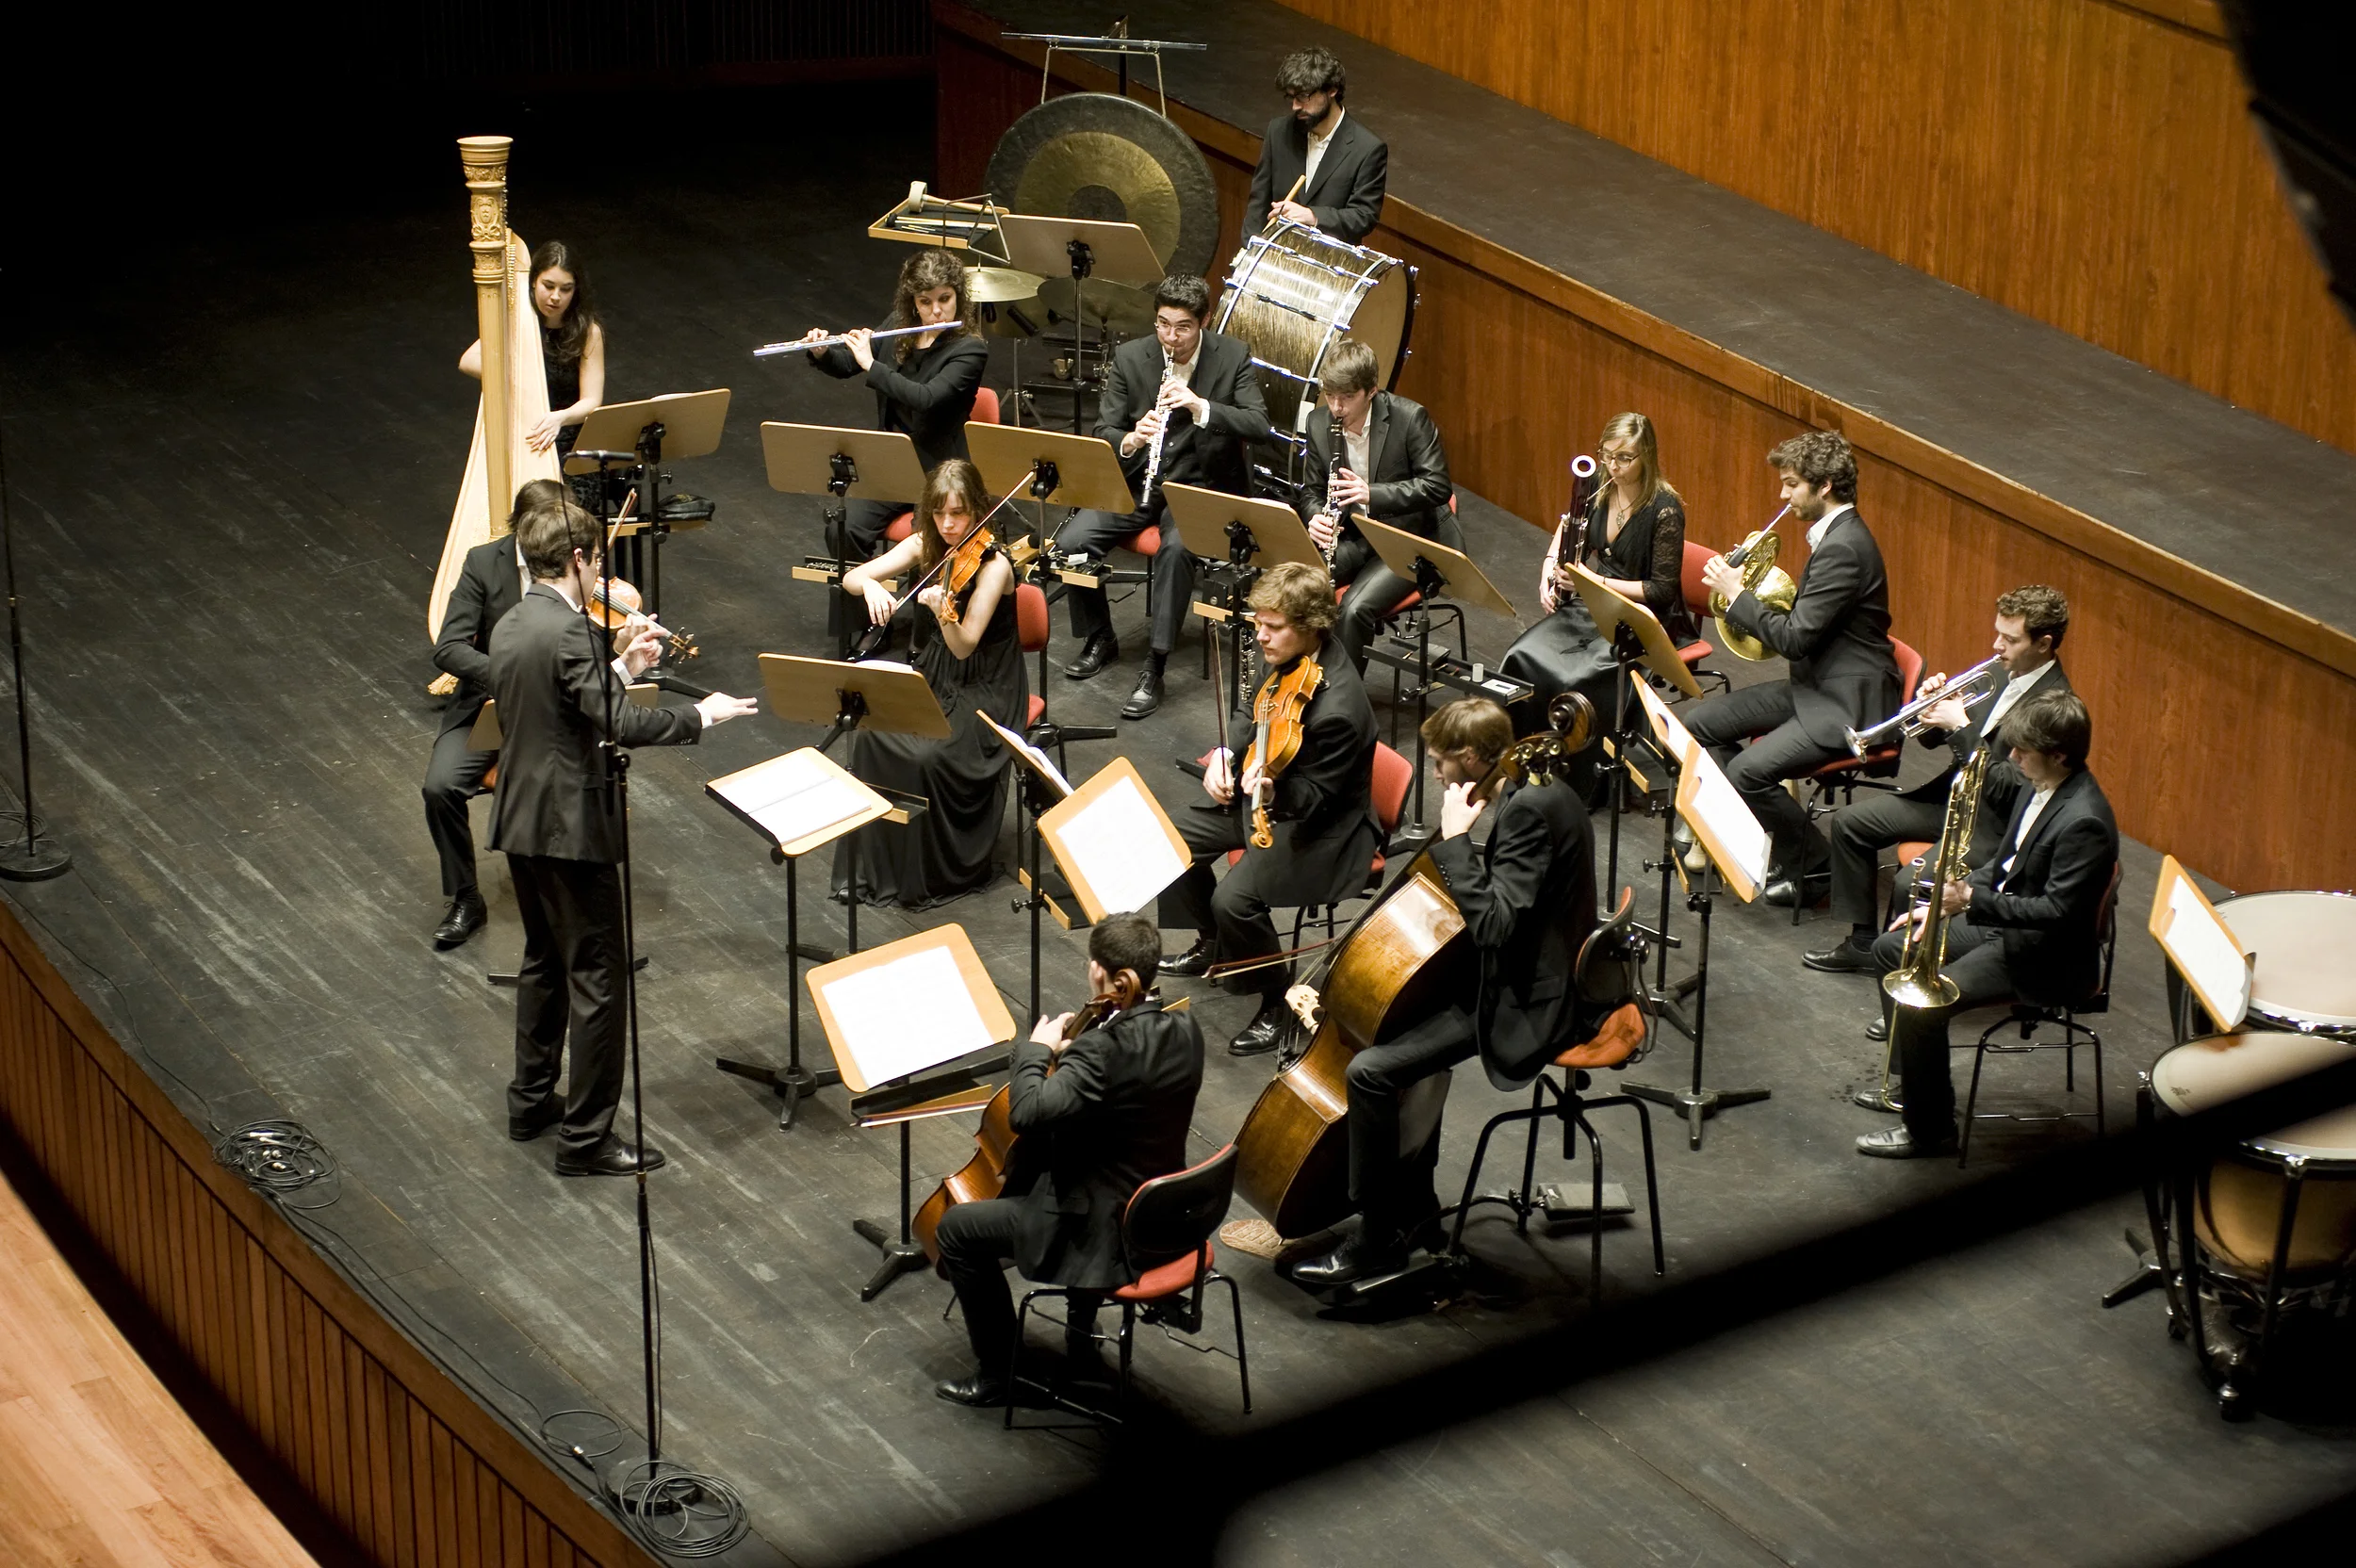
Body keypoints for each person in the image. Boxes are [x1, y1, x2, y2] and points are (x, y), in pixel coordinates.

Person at [487, 498, 758, 1176]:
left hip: (521, 819)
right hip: (572, 827)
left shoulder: (516, 621)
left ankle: (530, 1102)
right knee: (600, 981)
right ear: (578, 560)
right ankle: (585, 1140)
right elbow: (621, 726)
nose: (602, 572)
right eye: (599, 561)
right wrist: (701, 715)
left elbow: (567, 705)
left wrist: (625, 669)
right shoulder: (572, 630)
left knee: (545, 963)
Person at [1293, 698, 1601, 1286]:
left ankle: (1376, 1235)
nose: (1434, 774)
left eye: (1438, 763)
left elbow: (1495, 927)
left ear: (1469, 756)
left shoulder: (1529, 810)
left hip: (1530, 1000)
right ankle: (1417, 1207)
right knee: (1404, 1018)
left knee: (1370, 1072)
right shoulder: (1533, 787)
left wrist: (1458, 841)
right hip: (1520, 967)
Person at [932, 913, 1205, 1406]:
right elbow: (1127, 1087)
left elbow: (1028, 1113)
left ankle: (1000, 1374)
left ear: (1101, 973)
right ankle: (1081, 1333)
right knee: (1082, 1164)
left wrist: (1037, 1052)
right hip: (1160, 1214)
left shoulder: (1099, 1053)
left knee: (956, 1230)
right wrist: (1084, 1054)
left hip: (1099, 1233)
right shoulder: (1186, 1032)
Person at [1855, 691, 2117, 1159]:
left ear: (2059, 755)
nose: (2012, 758)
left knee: (1923, 1005)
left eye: (2023, 752)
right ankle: (1909, 1088)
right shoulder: (2036, 784)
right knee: (1890, 949)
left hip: (2043, 955)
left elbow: (2056, 913)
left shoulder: (2085, 822)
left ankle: (1930, 1131)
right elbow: (2005, 863)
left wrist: (1972, 899)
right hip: (2007, 927)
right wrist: (1938, 902)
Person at [1806, 585, 2074, 992]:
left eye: (2010, 639)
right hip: (1950, 797)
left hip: (1993, 825)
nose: (1996, 645)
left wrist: (1961, 728)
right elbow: (1935, 741)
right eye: (1998, 632)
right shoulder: (1999, 671)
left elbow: (2012, 791)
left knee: (1905, 884)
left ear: (2045, 643)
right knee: (1850, 823)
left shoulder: (2053, 706)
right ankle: (1864, 944)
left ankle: (1907, 985)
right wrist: (1931, 712)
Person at [1159, 563, 1379, 1056]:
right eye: (1258, 623)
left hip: (1321, 828)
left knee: (1234, 900)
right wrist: (1226, 754)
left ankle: (1277, 1002)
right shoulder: (1283, 654)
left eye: (1271, 627)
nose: (1259, 636)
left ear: (1310, 626)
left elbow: (1318, 797)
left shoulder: (1339, 708)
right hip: (1262, 793)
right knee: (1170, 840)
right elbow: (1250, 712)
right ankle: (1214, 944)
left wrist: (1274, 793)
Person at [1688, 431, 1900, 906]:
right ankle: (1757, 838)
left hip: (1846, 703)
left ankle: (1815, 866)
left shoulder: (1845, 548)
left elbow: (1794, 640)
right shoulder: (1833, 537)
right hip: (1815, 686)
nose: (1782, 495)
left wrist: (1738, 594)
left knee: (1746, 772)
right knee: (1698, 725)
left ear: (1824, 486)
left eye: (1791, 485)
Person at [1057, 274, 1270, 719]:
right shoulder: (1132, 357)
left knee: (1176, 550)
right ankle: (1100, 636)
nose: (1171, 337)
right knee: (1073, 543)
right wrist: (1133, 439)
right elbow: (1105, 431)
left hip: (1199, 488)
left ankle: (1155, 664)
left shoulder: (1232, 356)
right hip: (1140, 482)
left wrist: (1200, 406)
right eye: (1163, 324)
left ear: (1204, 321)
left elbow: (1258, 424)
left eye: (1183, 327)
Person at [832, 459, 1026, 907]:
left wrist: (943, 613)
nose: (949, 524)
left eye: (958, 513)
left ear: (977, 509)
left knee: (928, 756)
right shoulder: (925, 543)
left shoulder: (994, 566)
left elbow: (964, 645)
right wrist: (872, 587)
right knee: (871, 739)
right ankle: (882, 867)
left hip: (986, 687)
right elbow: (850, 577)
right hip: (934, 675)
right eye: (940, 513)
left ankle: (931, 871)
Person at [1498, 412, 1695, 792]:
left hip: (1637, 616)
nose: (1614, 466)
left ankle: (1576, 779)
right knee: (1522, 654)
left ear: (1647, 456)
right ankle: (1525, 759)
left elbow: (1661, 590)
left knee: (1574, 677)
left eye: (1625, 458)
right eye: (1608, 456)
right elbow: (1568, 524)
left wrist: (1592, 581)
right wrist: (1548, 567)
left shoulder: (1665, 509)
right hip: (1592, 602)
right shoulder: (1601, 486)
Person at [422, 478, 570, 949]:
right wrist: (511, 673)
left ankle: (567, 894)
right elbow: (448, 648)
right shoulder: (484, 563)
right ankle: (466, 896)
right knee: (439, 787)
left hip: (556, 710)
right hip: (490, 704)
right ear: (523, 529)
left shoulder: (576, 563)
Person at [796, 248, 989, 562]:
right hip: (892, 462)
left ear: (959, 297)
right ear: (913, 302)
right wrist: (822, 352)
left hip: (938, 470)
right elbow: (848, 363)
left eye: (945, 299)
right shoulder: (901, 325)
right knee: (842, 531)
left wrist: (872, 366)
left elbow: (925, 398)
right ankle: (865, 602)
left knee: (929, 546)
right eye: (925, 302)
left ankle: (921, 608)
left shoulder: (969, 349)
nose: (937, 311)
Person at [1296, 337, 1454, 673]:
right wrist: (1313, 519)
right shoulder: (1319, 423)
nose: (1337, 407)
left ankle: (1342, 704)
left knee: (1354, 610)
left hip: (1409, 542)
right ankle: (1301, 681)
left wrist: (1372, 493)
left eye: (1347, 397)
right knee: (1295, 588)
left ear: (1372, 392)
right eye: (1330, 395)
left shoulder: (1410, 418)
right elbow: (1310, 492)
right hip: (1355, 535)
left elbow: (1438, 486)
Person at [461, 239, 604, 460]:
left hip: (568, 438)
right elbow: (468, 361)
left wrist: (559, 418)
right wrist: (518, 374)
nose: (556, 296)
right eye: (548, 286)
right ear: (533, 283)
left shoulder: (588, 334)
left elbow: (592, 401)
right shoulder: (516, 323)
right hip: (525, 433)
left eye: (565, 289)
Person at [1242, 45, 1389, 243]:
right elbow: (1258, 204)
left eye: (1303, 96)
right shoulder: (1278, 131)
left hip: (1328, 263)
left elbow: (1363, 216)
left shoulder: (1367, 149)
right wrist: (1248, 252)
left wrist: (1313, 216)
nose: (1295, 106)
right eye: (1292, 97)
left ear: (1332, 90)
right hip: (1277, 256)